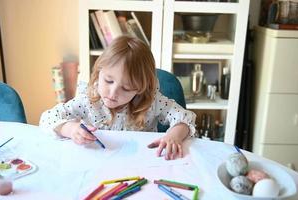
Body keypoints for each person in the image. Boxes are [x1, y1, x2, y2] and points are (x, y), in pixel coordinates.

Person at [40, 36, 196, 160]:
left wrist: (174, 135)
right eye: (108, 81)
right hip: (98, 165)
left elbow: (185, 118)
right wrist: (70, 128)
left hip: (140, 166)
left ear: (140, 88)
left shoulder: (151, 102)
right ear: (99, 71)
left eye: (126, 88)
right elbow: (47, 118)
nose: (113, 93)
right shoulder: (89, 99)